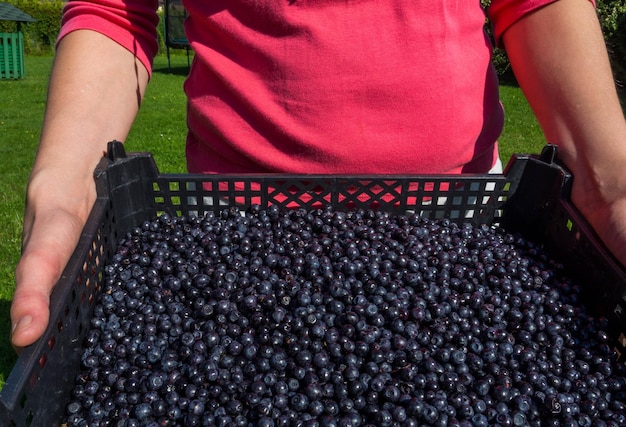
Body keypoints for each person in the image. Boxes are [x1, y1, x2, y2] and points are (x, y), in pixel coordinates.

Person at [10, 0, 626, 348]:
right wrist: (66, 178)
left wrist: (611, 182)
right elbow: (117, 13)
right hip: (240, 249)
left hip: (460, 234)